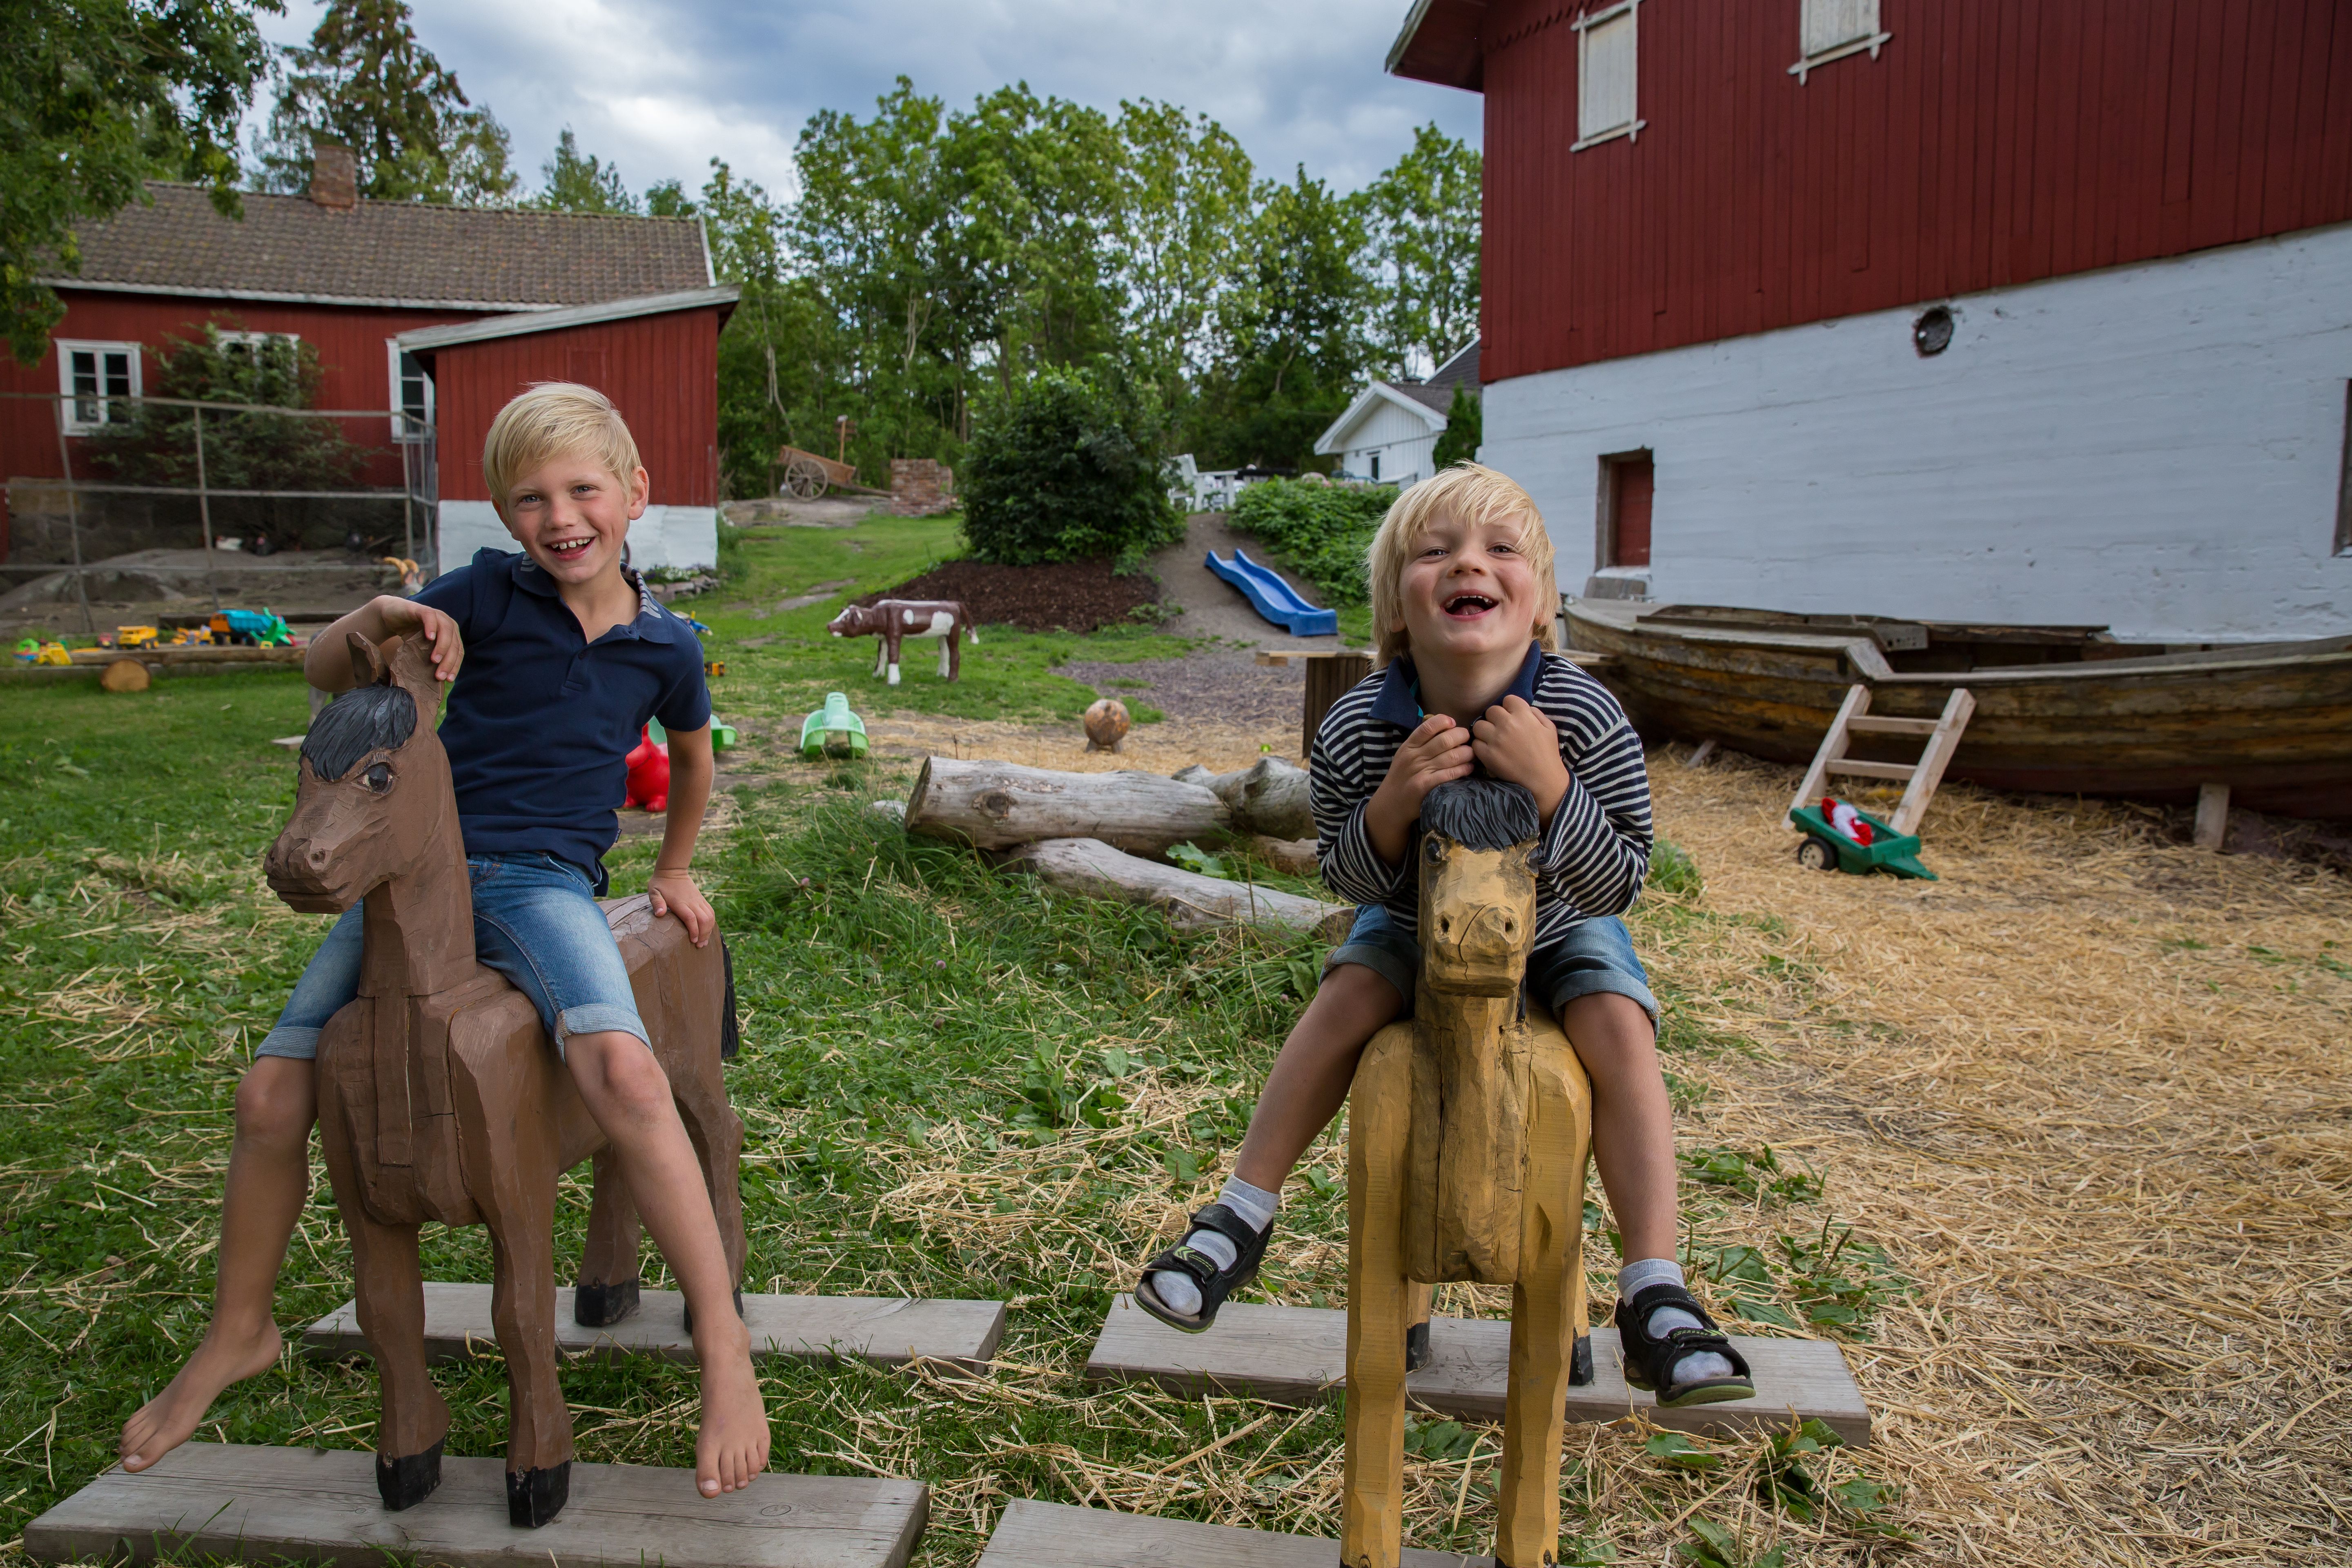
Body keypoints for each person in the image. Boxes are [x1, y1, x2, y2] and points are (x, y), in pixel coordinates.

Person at [118, 383, 772, 1493]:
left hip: (544, 886)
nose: (559, 517)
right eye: (530, 499)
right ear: (503, 515)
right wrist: (374, 617)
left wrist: (671, 869)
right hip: (422, 879)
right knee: (270, 1095)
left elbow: (694, 756)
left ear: (634, 492)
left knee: (625, 1069)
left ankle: (722, 1340)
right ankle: (240, 1329)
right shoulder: (481, 595)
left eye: (582, 489)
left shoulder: (667, 644)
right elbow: (327, 672)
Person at [1132, 463, 1755, 1408]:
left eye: (1501, 549)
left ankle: (1654, 1288)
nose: (1469, 563)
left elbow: (1622, 878)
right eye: (1436, 552)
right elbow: (1350, 879)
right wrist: (1392, 804)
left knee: (1621, 1027)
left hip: (1564, 926)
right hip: (1413, 925)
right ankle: (1238, 1217)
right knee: (1346, 994)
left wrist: (1553, 786)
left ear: (1540, 603)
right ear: (1397, 606)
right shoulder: (1358, 724)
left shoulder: (1586, 715)